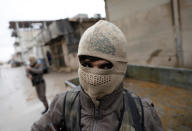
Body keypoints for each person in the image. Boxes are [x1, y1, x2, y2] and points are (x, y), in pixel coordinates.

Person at [31, 20, 163, 131]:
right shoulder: (64, 104)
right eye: (87, 65)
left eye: (105, 66)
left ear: (121, 67)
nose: (94, 75)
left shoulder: (142, 113)